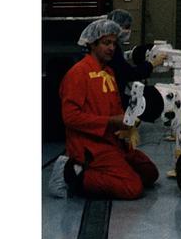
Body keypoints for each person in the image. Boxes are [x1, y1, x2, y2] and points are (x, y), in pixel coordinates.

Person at [48, 18, 160, 200]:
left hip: (112, 140)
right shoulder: (78, 74)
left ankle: (111, 171)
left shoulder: (108, 73)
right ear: (92, 44)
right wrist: (110, 122)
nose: (111, 48)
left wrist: (126, 125)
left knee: (150, 174)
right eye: (106, 43)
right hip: (90, 145)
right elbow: (70, 117)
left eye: (114, 44)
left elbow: (115, 107)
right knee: (132, 188)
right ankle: (73, 174)